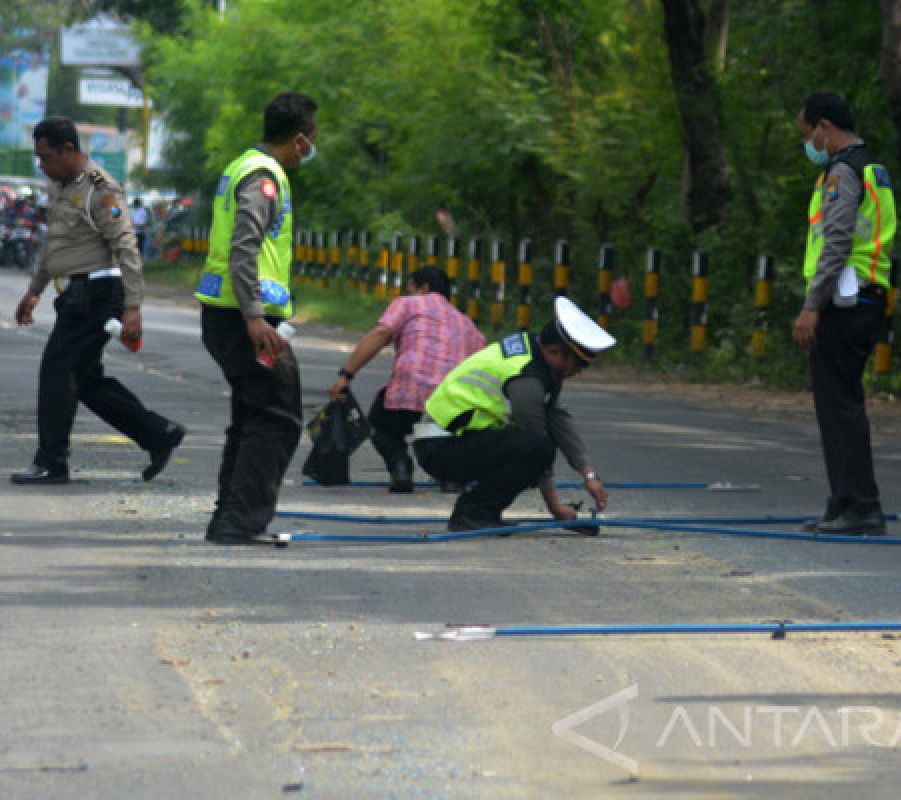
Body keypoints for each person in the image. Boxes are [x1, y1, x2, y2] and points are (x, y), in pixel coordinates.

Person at [11, 116, 185, 485]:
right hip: (75, 293)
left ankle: (51, 461)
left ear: (69, 150)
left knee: (58, 370)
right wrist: (34, 290)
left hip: (98, 293)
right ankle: (158, 433)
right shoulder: (60, 186)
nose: (42, 165)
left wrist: (133, 307)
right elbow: (56, 246)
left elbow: (126, 247)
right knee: (84, 378)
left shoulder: (100, 190)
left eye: (46, 157)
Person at [194, 92, 318, 545]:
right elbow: (243, 247)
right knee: (278, 417)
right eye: (312, 140)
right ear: (301, 139)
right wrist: (253, 317)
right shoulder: (264, 177)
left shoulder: (243, 165)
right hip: (245, 318)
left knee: (253, 415)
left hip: (229, 313)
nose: (310, 150)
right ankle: (239, 521)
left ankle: (230, 516)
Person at [413, 296, 614, 532]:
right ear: (554, 350)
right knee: (537, 450)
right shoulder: (526, 377)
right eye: (578, 365)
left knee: (533, 448)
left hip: (452, 440)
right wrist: (556, 508)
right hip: (440, 447)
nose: (578, 372)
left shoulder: (533, 352)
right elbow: (537, 442)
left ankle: (477, 511)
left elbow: (557, 417)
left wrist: (588, 474)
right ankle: (473, 514)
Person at [791, 91, 895, 536]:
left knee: (840, 406)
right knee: (837, 404)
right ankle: (843, 501)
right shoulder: (870, 168)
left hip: (844, 302)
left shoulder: (844, 173)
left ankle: (860, 506)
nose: (808, 143)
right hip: (863, 297)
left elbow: (835, 243)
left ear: (825, 127)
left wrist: (811, 305)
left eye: (807, 133)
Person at [326, 265, 485, 492]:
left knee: (382, 426)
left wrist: (346, 375)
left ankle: (400, 467)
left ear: (423, 288)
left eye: (410, 288)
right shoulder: (467, 323)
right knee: (444, 431)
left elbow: (380, 334)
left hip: (410, 392)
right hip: (454, 402)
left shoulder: (409, 304)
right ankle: (451, 475)